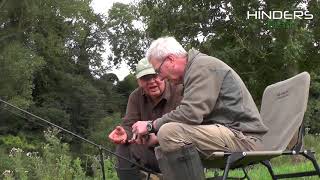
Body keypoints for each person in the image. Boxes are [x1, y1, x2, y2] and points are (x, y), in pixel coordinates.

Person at [132, 36, 269, 180]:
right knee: (162, 146)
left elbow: (190, 114)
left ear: (170, 60)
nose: (160, 78)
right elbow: (194, 120)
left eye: (158, 71)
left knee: (168, 132)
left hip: (245, 139)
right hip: (230, 134)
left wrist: (150, 126)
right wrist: (156, 137)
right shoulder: (195, 70)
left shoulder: (202, 67)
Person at [108, 58, 183, 180]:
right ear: (138, 81)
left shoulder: (179, 90)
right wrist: (124, 134)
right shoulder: (135, 96)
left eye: (155, 76)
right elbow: (129, 125)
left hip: (177, 153)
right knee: (123, 148)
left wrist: (158, 138)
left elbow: (189, 124)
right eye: (145, 78)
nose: (151, 81)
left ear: (163, 74)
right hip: (151, 154)